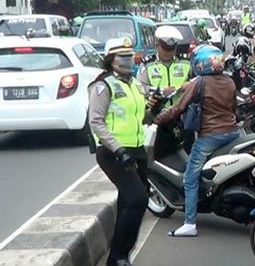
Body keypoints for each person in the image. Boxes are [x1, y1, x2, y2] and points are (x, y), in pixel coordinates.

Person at [154, 45, 239, 237]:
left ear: (200, 63)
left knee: (190, 178)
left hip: (210, 136)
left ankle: (190, 223)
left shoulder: (200, 82)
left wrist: (158, 119)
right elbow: (233, 107)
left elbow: (179, 108)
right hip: (232, 133)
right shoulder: (229, 81)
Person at [88, 38, 148, 266]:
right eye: (122, 57)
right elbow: (96, 121)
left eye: (130, 56)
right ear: (110, 60)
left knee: (128, 203)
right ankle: (119, 257)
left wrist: (156, 108)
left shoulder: (133, 84)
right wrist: (119, 149)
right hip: (114, 153)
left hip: (137, 149)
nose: (127, 61)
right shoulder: (103, 86)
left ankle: (120, 255)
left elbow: (138, 116)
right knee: (138, 200)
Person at [138, 26, 193, 155]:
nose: (169, 52)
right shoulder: (148, 64)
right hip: (158, 115)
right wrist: (161, 91)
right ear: (157, 45)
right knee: (160, 152)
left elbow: (198, 80)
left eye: (172, 49)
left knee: (187, 150)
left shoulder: (186, 62)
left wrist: (189, 84)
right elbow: (140, 87)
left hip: (182, 114)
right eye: (165, 49)